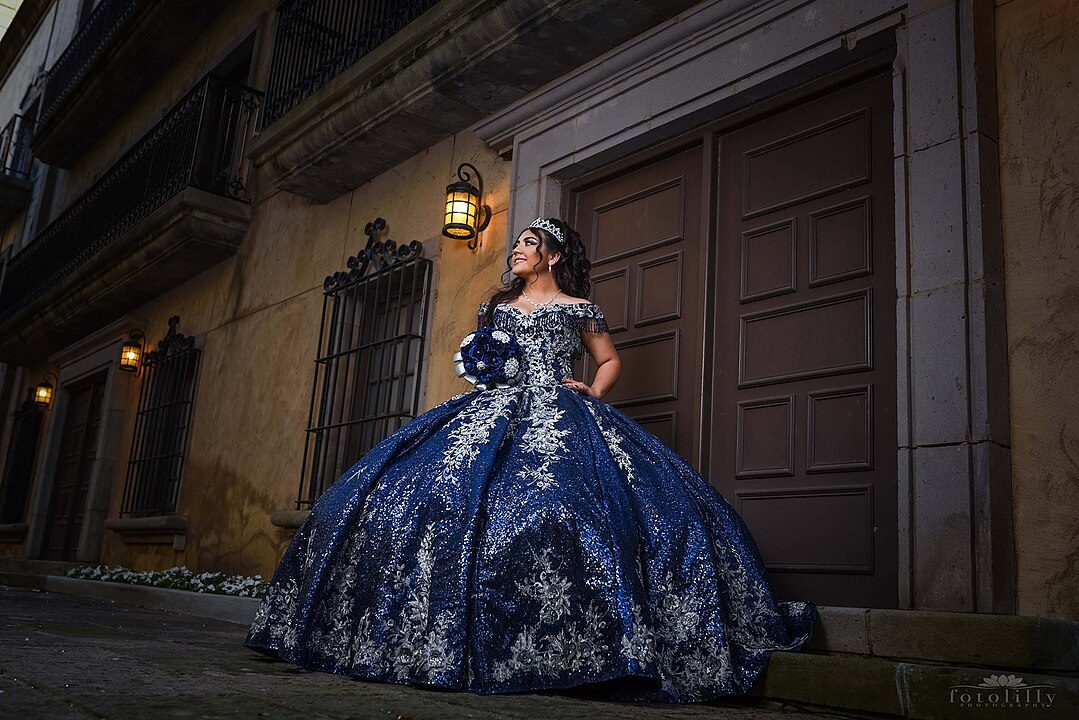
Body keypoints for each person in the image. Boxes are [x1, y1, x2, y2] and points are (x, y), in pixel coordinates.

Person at [244, 216, 818, 704]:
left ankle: (575, 647)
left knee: (568, 507)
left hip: (562, 408)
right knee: (411, 495)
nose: (516, 251)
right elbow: (478, 362)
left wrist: (594, 391)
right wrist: (485, 375)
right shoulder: (497, 307)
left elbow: (610, 359)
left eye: (526, 244)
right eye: (515, 244)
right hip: (491, 410)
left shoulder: (579, 307)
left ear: (552, 256)